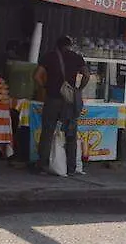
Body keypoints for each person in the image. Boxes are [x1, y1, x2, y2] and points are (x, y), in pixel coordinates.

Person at [34, 35, 87, 176]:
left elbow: (37, 76)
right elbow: (86, 75)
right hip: (69, 101)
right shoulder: (77, 57)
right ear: (69, 45)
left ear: (56, 46)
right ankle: (71, 167)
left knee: (48, 132)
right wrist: (78, 89)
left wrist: (46, 87)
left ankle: (43, 166)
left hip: (52, 99)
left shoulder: (49, 56)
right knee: (71, 134)